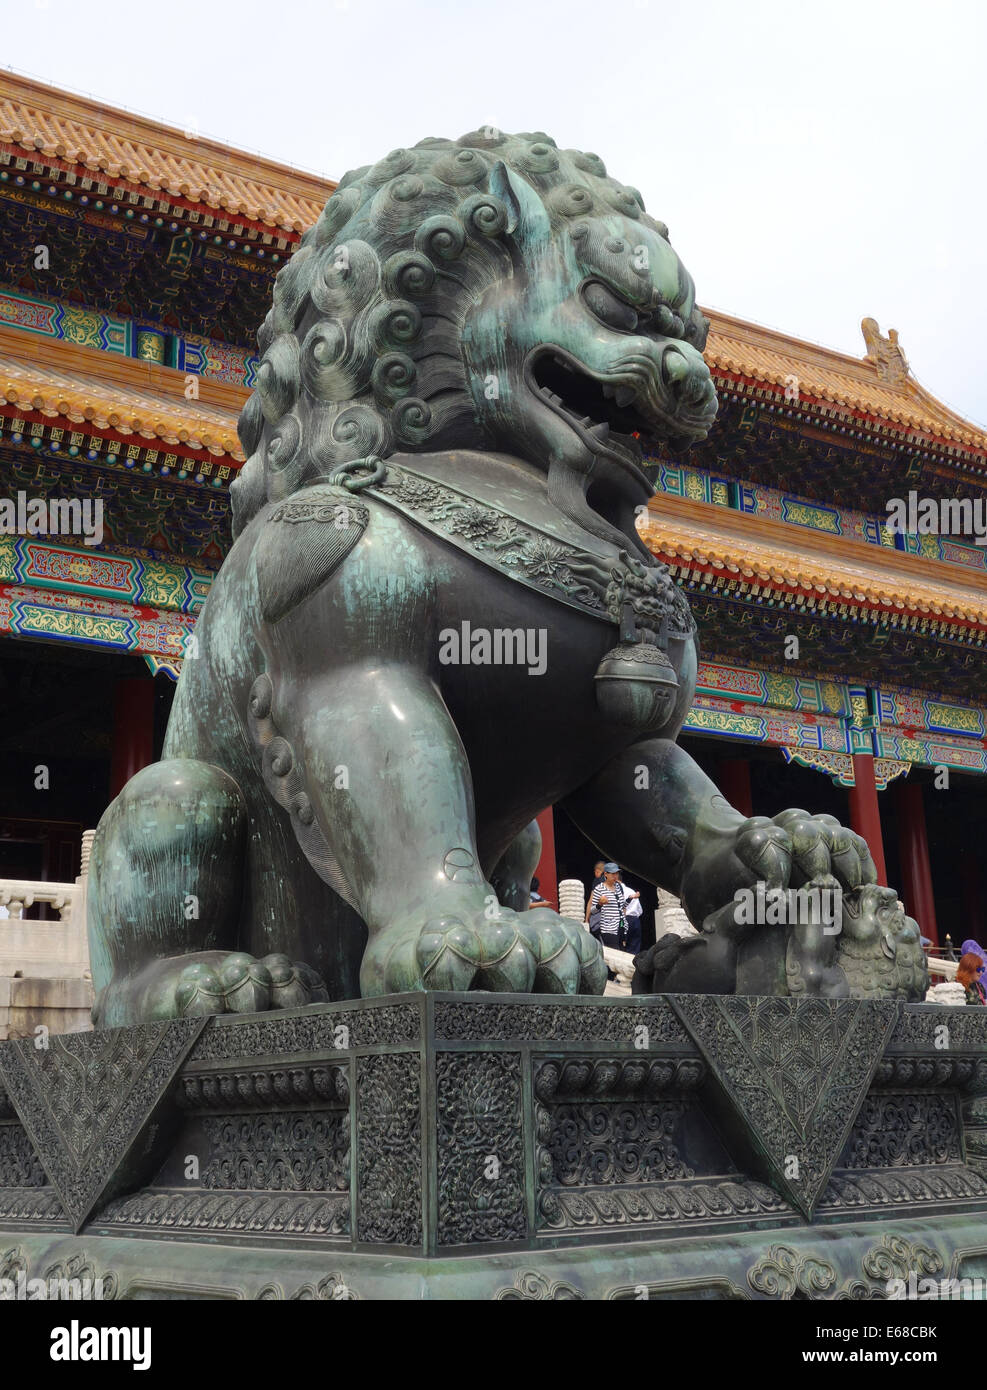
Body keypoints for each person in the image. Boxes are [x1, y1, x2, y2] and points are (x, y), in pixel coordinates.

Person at [585, 863, 637, 950]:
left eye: (617, 873)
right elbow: (592, 910)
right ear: (605, 874)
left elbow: (621, 907)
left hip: (621, 927)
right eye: (613, 874)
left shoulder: (618, 887)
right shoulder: (599, 888)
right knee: (614, 954)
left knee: (622, 954)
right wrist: (600, 904)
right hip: (608, 928)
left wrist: (629, 899)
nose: (615, 876)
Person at [618, 872, 643, 955]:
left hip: (622, 920)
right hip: (635, 920)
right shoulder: (631, 890)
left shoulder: (615, 891)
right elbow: (639, 910)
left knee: (620, 949)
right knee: (634, 950)